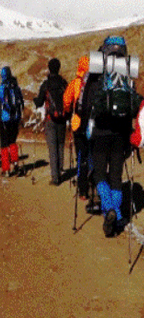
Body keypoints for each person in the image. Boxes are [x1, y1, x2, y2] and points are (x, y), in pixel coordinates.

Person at [89, 36, 137, 237]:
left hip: (100, 131)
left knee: (100, 173)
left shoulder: (99, 70)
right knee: (116, 176)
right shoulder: (128, 72)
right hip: (120, 132)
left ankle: (108, 208)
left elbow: (90, 100)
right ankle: (116, 215)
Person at [64, 55, 93, 207]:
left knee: (81, 157)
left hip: (77, 124)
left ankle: (83, 191)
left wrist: (68, 113)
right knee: (92, 156)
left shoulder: (75, 83)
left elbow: (66, 101)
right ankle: (93, 185)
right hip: (93, 126)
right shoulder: (95, 82)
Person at [33, 58, 68, 185]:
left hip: (50, 119)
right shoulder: (64, 83)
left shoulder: (46, 84)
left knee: (52, 148)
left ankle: (55, 178)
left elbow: (40, 102)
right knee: (60, 145)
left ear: (49, 68)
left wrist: (35, 100)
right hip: (62, 119)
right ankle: (60, 170)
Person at [0, 66, 24, 176]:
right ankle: (15, 163)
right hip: (15, 119)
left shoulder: (1, 88)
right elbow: (21, 103)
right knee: (12, 142)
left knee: (4, 144)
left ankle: (6, 169)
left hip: (4, 119)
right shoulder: (16, 87)